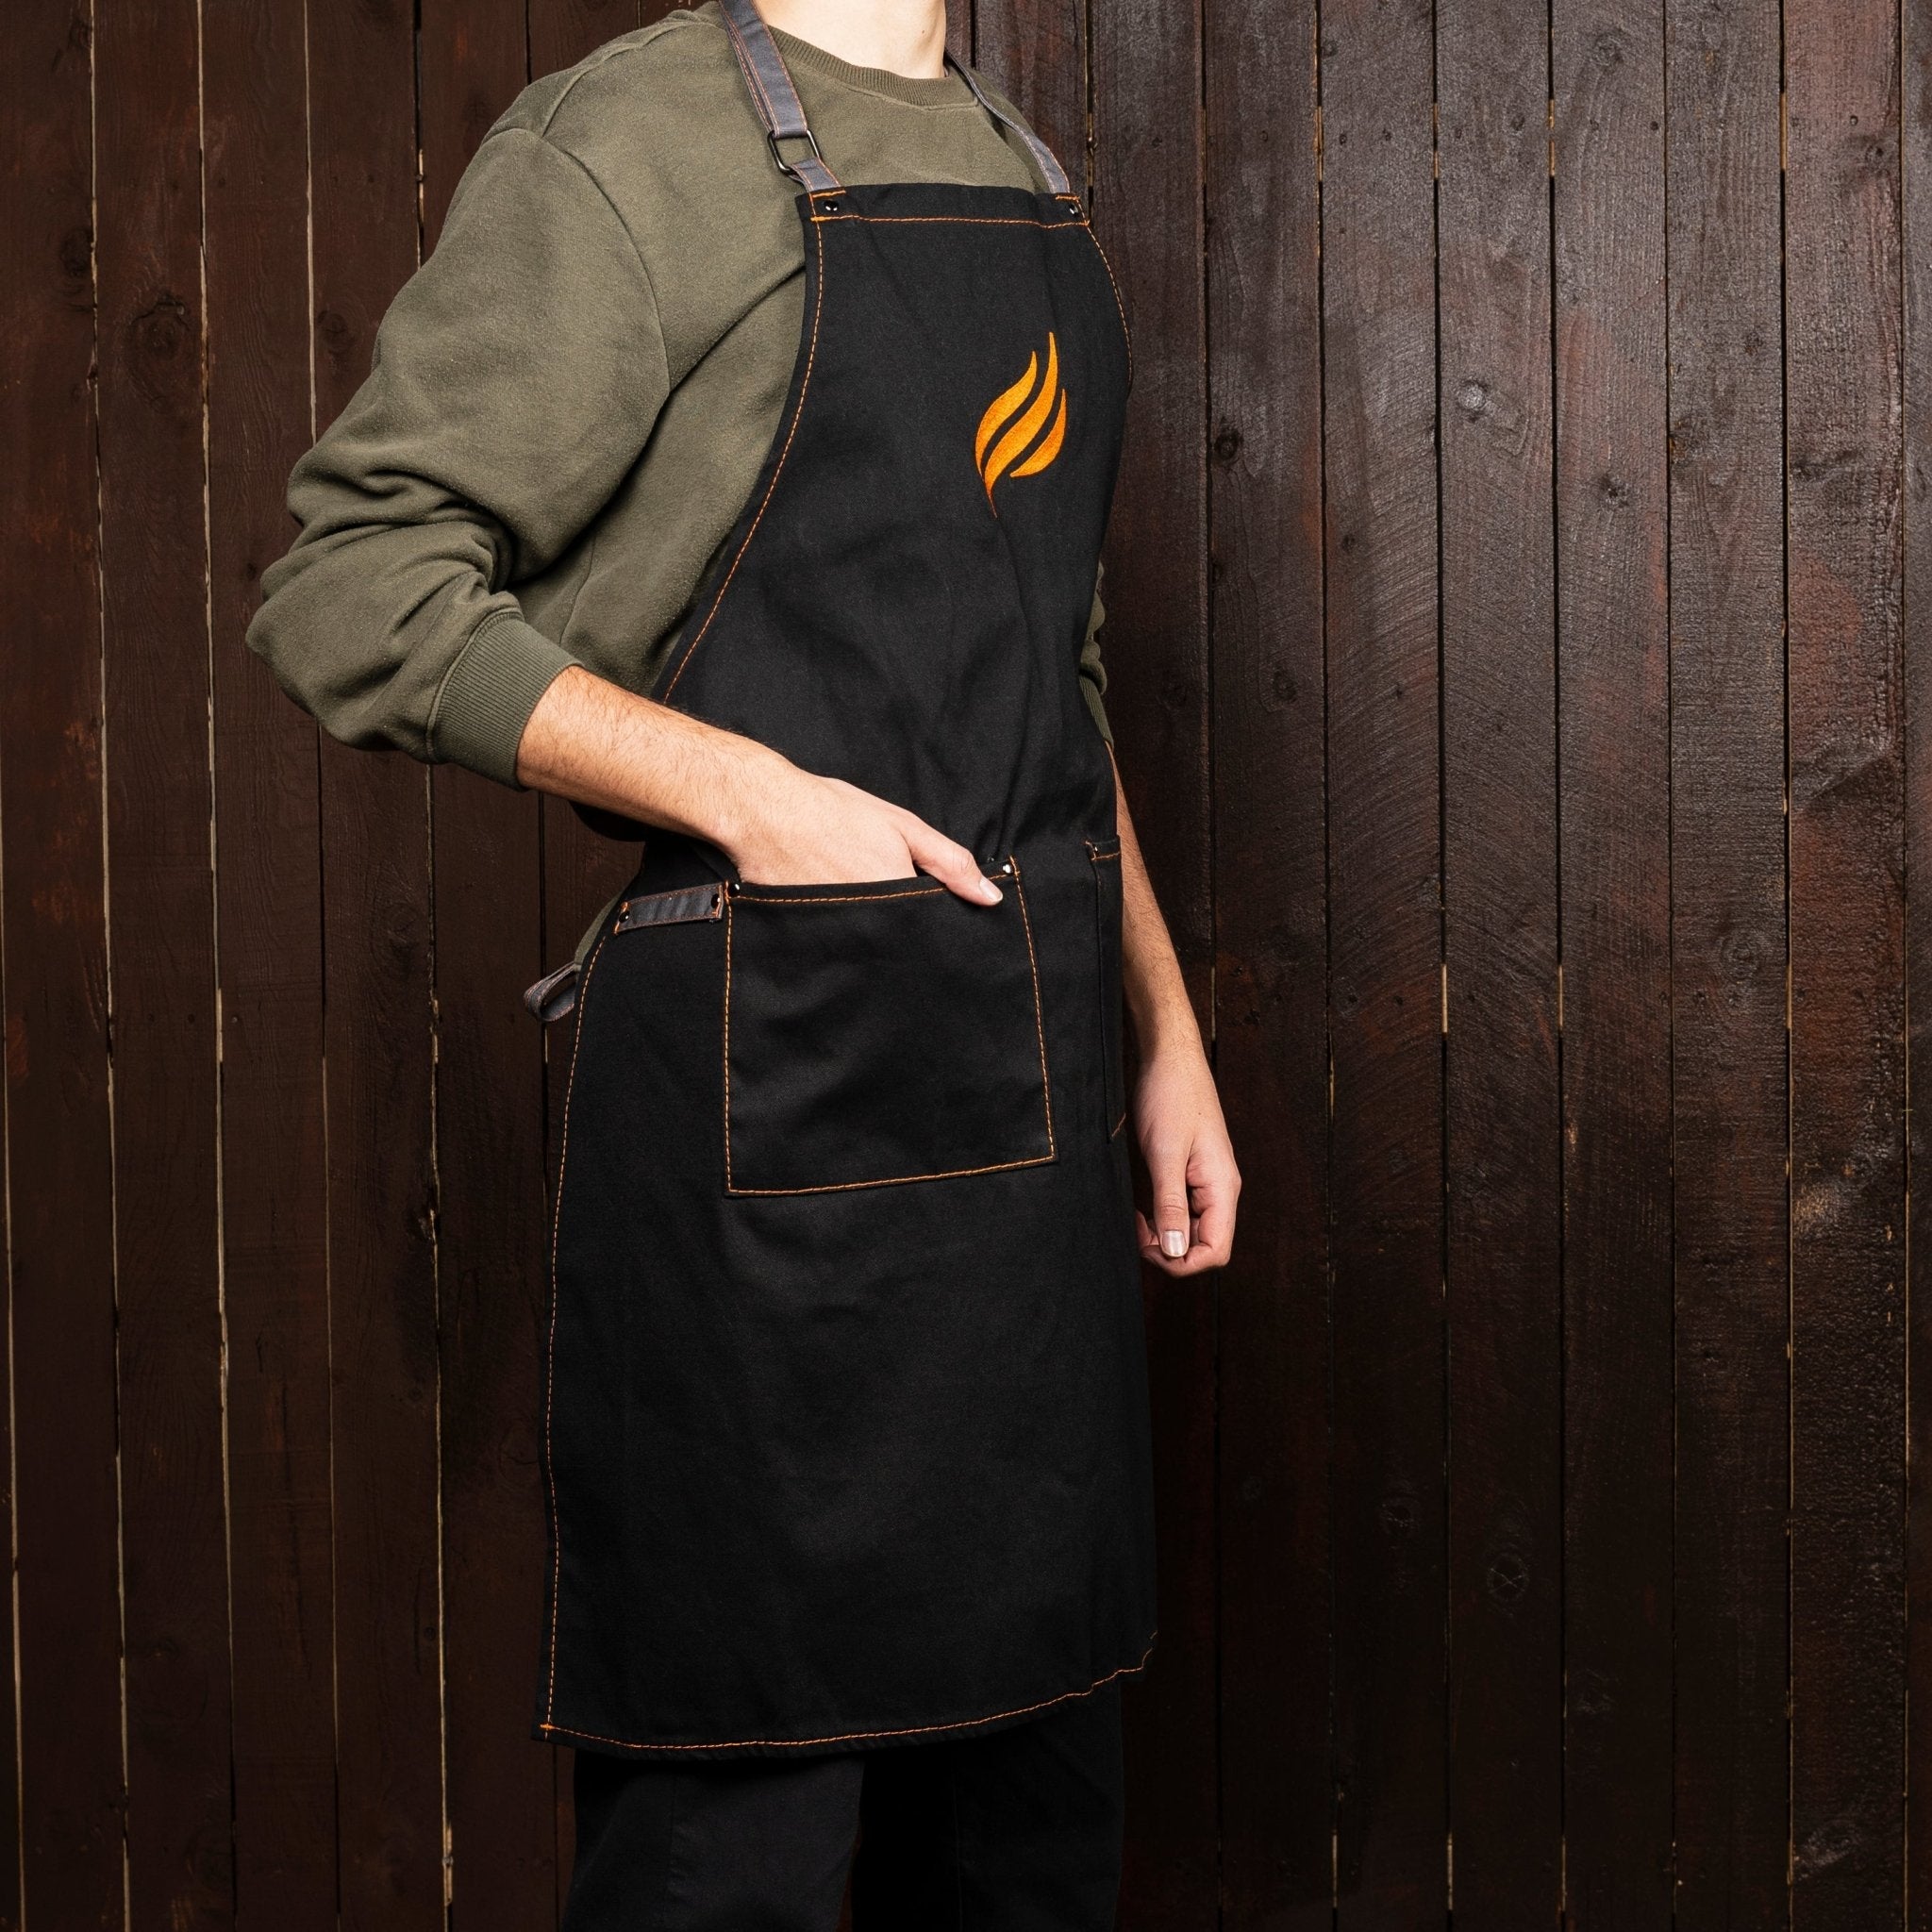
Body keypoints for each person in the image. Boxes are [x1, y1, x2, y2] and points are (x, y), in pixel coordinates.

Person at [247, 0, 1240, 1922]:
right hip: (770, 1121)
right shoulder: (631, 147)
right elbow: (351, 584)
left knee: (1030, 1846)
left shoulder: (1017, 166)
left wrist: (1164, 1027)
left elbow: (1060, 674)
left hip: (1032, 1151)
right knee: (735, 1855)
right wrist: (747, 793)